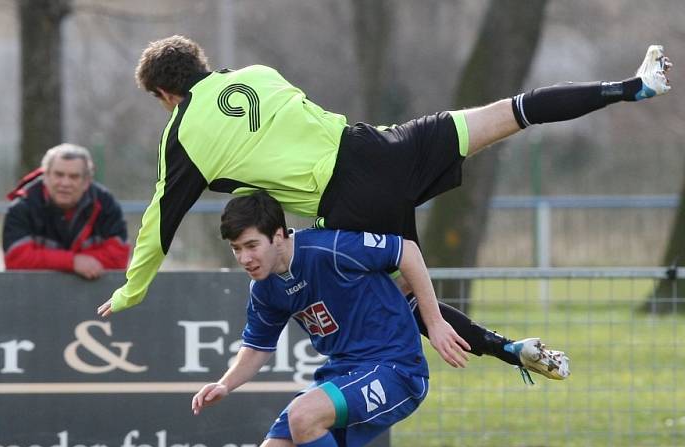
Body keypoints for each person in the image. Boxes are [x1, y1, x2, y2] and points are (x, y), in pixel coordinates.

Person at [99, 37, 672, 380]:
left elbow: (157, 222)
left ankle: (510, 349)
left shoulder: (182, 133)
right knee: (507, 113)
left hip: (347, 199)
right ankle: (632, 86)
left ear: (164, 96)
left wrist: (132, 288)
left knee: (403, 290)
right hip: (382, 146)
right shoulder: (255, 73)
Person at [193, 191, 465, 447]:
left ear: (279, 235)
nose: (245, 258)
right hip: (345, 371)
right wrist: (225, 383)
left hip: (396, 367)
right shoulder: (266, 288)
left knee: (306, 415)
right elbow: (257, 346)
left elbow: (406, 252)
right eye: (237, 249)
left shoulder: (329, 248)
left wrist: (434, 323)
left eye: (252, 245)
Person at [2, 143, 130, 279]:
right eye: (59, 175)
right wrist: (73, 262)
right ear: (45, 176)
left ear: (86, 181)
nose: (65, 183)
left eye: (74, 177)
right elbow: (16, 259)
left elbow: (119, 257)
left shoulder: (106, 205)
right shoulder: (22, 207)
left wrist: (54, 261)